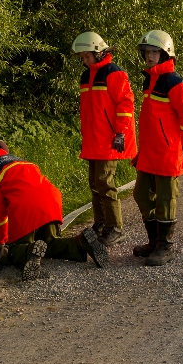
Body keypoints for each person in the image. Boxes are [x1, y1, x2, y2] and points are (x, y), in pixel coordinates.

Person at [0, 140, 108, 281]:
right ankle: (81, 242)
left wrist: (0, 242)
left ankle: (29, 251)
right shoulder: (21, 161)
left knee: (15, 249)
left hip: (25, 206)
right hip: (51, 199)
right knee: (49, 242)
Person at [131, 30, 183, 266]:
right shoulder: (149, 79)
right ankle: (154, 242)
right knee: (141, 195)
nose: (149, 56)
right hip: (149, 152)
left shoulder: (174, 82)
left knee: (165, 200)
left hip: (168, 153)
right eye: (146, 52)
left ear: (165, 53)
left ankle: (165, 246)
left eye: (154, 52)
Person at [72, 31, 137, 247]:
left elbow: (126, 103)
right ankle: (100, 224)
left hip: (109, 138)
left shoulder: (113, 72)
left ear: (98, 52)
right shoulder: (86, 76)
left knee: (105, 182)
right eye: (82, 57)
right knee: (95, 183)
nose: (84, 61)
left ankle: (115, 227)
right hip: (93, 139)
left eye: (86, 56)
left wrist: (120, 132)